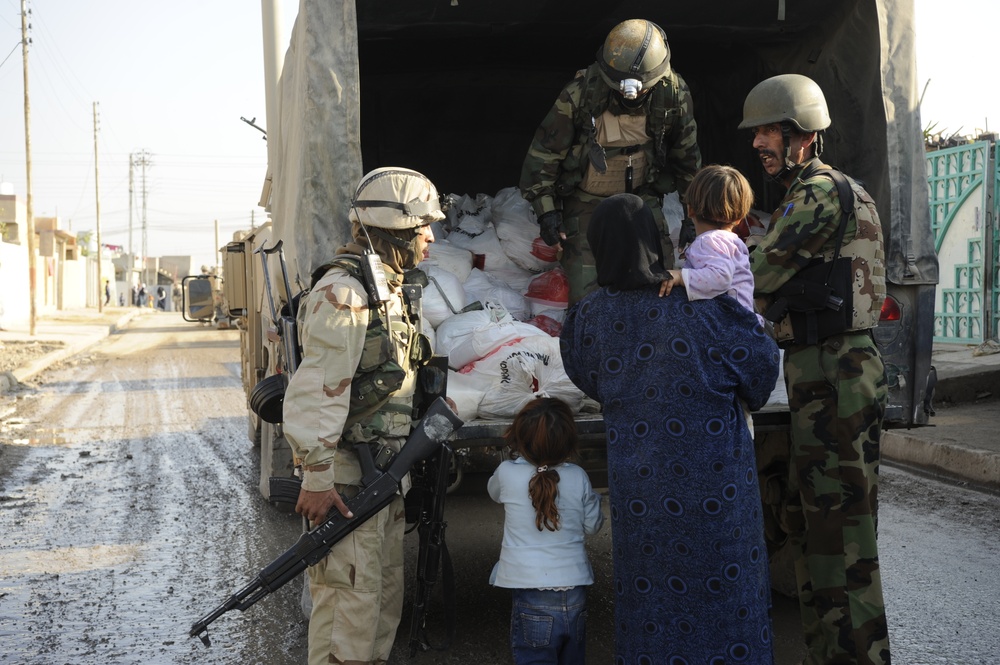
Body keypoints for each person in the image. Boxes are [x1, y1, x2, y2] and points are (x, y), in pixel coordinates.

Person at [559, 192, 779, 664]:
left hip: (643, 492)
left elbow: (587, 377)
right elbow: (760, 372)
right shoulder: (705, 304)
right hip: (719, 489)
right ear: (656, 241)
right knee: (729, 590)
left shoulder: (588, 318)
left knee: (652, 598)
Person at [740, 74, 889, 665]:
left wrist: (698, 274)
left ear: (802, 136)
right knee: (815, 532)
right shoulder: (815, 191)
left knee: (843, 541)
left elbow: (757, 277)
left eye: (768, 131)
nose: (758, 144)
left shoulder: (819, 195)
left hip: (835, 371)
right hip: (823, 369)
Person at [282, 166, 443, 665]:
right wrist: (315, 476)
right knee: (346, 618)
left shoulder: (391, 291)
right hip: (348, 483)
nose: (431, 238)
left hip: (384, 478)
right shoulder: (345, 295)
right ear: (394, 233)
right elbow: (316, 392)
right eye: (423, 228)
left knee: (378, 608)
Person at [519, 18, 701, 304]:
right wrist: (547, 212)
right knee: (588, 299)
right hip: (588, 201)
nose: (632, 95)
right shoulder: (580, 95)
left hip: (643, 201)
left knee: (662, 288)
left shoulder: (674, 94)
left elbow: (687, 157)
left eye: (641, 89)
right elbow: (543, 156)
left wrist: (694, 212)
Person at [487, 397, 604, 665]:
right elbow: (593, 526)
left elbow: (494, 493)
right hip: (575, 593)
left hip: (530, 592)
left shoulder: (505, 473)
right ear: (569, 441)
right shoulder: (578, 476)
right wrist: (593, 500)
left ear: (518, 437)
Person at [658, 164, 764, 326]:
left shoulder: (709, 241)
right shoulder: (732, 241)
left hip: (728, 328)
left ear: (690, 210)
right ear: (740, 218)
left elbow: (720, 277)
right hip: (742, 326)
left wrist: (681, 277)